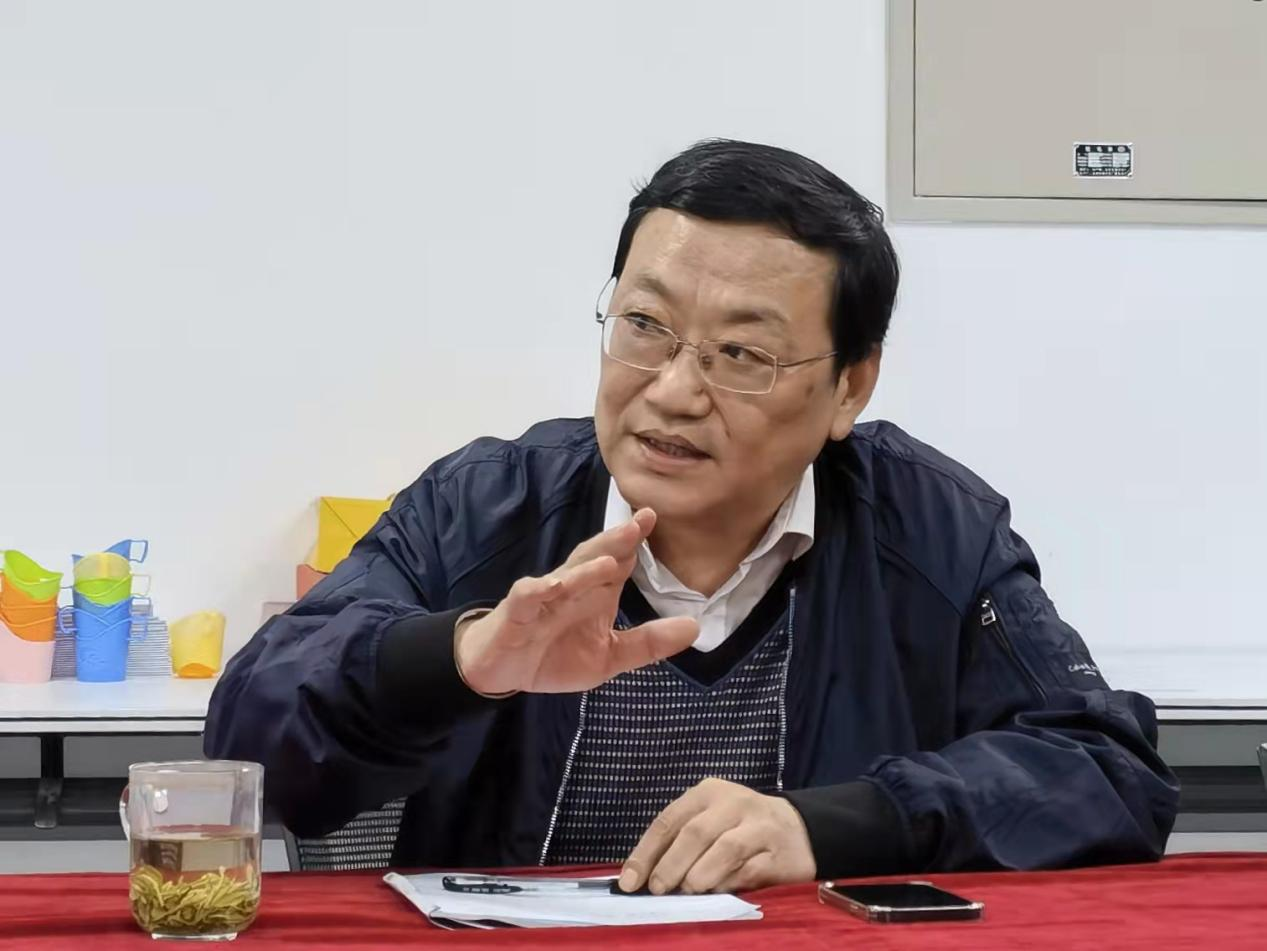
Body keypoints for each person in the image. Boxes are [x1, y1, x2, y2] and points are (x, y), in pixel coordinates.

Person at [204, 139, 1178, 895]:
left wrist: (831, 825)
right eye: (644, 326)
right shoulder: (486, 507)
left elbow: (1105, 771)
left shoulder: (930, 530)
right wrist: (462, 659)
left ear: (848, 388)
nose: (671, 390)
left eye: (741, 354)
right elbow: (247, 745)